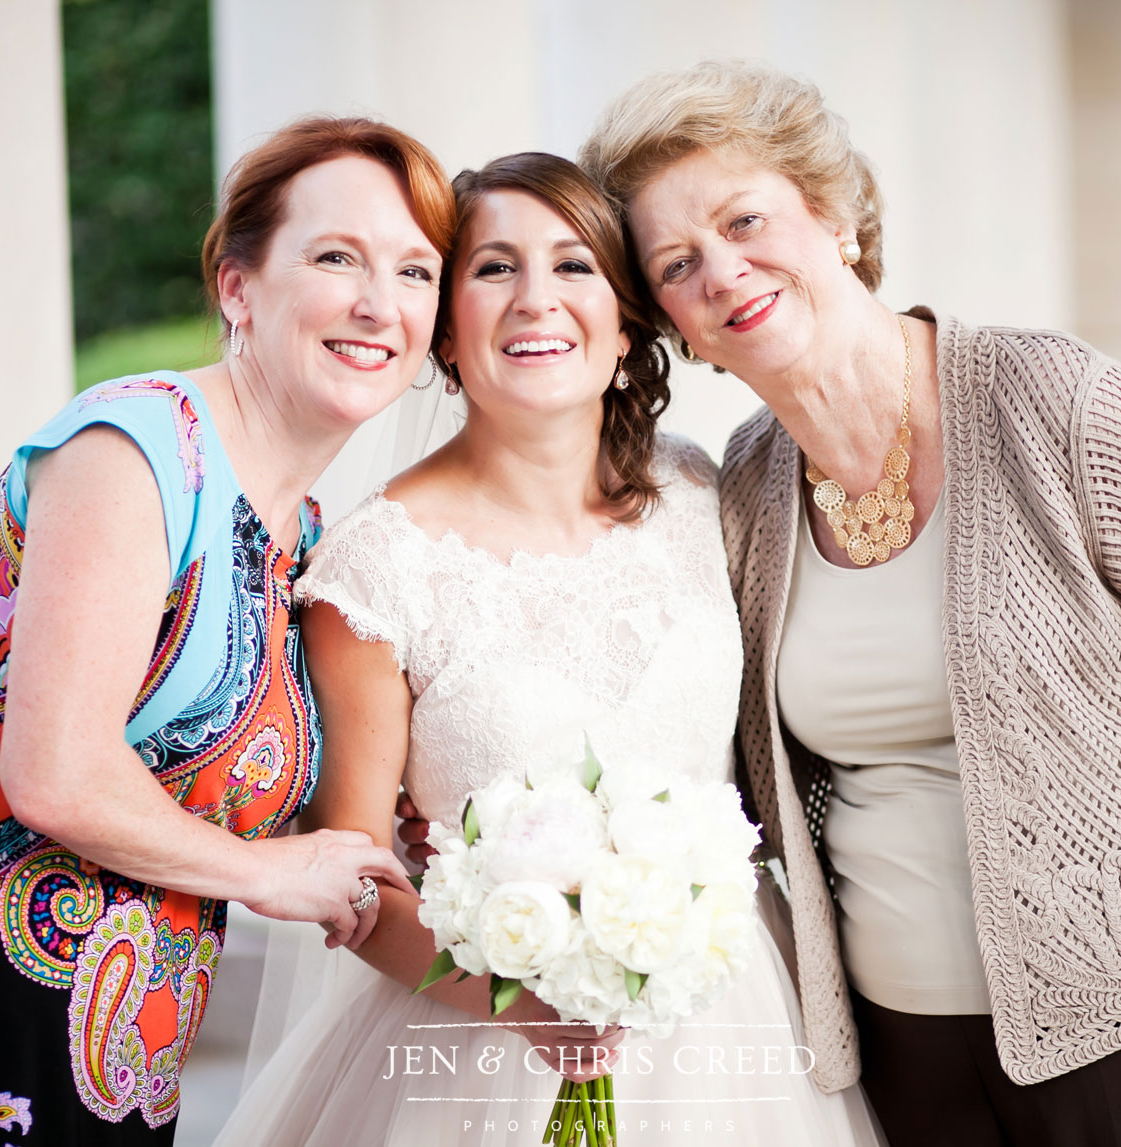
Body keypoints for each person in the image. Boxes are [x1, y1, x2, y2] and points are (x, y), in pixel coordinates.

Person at [555, 60, 1121, 1145]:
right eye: (676, 262)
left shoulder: (1053, 399)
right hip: (909, 1047)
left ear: (835, 217)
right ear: (674, 324)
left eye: (744, 219)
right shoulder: (740, 493)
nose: (722, 269)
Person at [0, 116, 445, 1144]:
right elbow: (58, 772)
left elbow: (217, 787)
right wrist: (274, 875)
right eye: (336, 256)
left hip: (115, 1055)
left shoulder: (304, 534)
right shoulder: (136, 447)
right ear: (238, 288)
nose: (379, 302)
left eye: (415, 270)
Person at [213, 152, 882, 1147]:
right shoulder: (373, 570)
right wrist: (517, 997)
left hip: (734, 1021)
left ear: (624, 329)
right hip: (476, 1045)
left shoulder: (700, 494)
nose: (536, 301)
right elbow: (353, 876)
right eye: (493, 269)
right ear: (445, 333)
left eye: (575, 267)